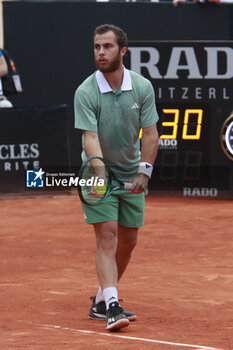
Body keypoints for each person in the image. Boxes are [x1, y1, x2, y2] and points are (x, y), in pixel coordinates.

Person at [74, 24, 159, 331]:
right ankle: (112, 306)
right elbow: (90, 138)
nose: (101, 52)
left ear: (122, 51)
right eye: (97, 47)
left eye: (107, 47)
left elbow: (150, 135)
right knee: (107, 236)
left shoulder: (141, 87)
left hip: (130, 173)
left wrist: (143, 173)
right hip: (98, 175)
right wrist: (99, 173)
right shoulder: (85, 91)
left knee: (129, 241)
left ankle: (100, 300)